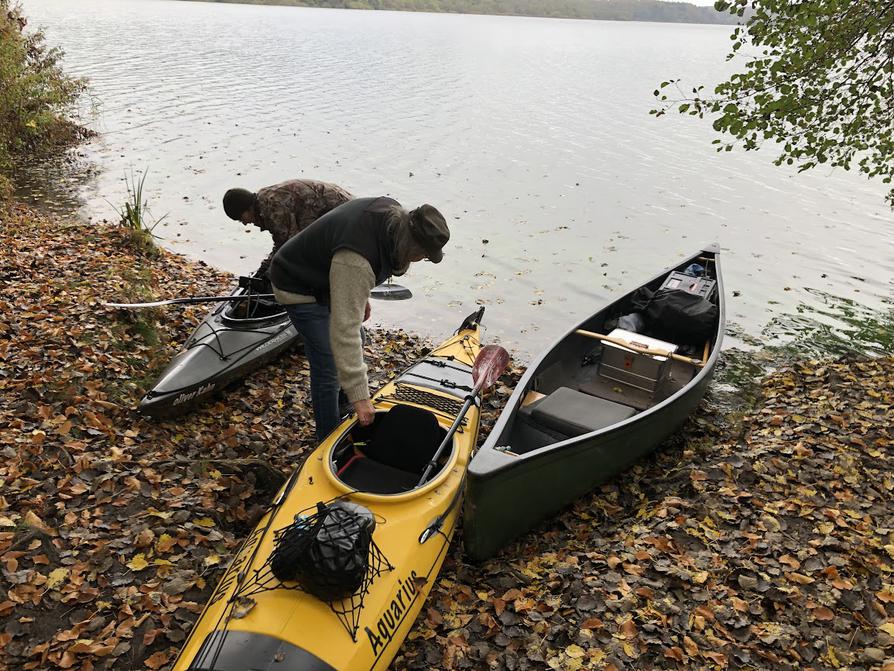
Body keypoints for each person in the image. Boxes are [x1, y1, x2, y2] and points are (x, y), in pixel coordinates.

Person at [269, 196, 450, 440]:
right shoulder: (356, 261)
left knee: (360, 338)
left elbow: (351, 267)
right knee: (328, 364)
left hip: (328, 277)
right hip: (297, 285)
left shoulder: (390, 215)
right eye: (423, 255)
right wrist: (361, 397)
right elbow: (344, 330)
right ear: (411, 244)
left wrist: (359, 296)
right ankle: (327, 437)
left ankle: (343, 402)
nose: (421, 260)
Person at [222, 179, 353, 279]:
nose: (244, 223)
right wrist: (264, 269)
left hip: (344, 212)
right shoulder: (263, 202)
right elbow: (282, 241)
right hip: (325, 212)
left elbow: (289, 246)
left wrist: (269, 273)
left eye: (240, 218)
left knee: (307, 255)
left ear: (247, 208)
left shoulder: (273, 205)